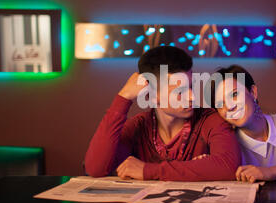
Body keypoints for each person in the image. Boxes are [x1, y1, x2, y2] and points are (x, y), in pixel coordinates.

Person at [84, 46, 241, 181]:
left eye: (191, 86)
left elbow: (228, 165)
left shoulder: (209, 120)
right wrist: (123, 98)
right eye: (180, 91)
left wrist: (147, 170)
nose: (192, 96)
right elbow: (95, 169)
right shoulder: (138, 127)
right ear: (152, 96)